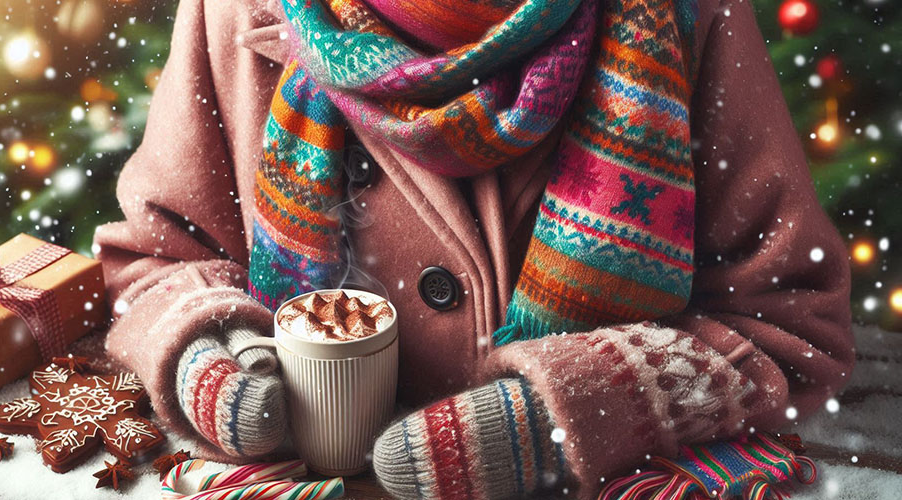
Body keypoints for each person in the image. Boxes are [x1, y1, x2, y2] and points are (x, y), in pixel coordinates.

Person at [94, 0, 855, 497]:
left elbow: (787, 327)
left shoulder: (690, 15)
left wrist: (559, 419)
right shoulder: (231, 12)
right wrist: (211, 352)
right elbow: (160, 258)